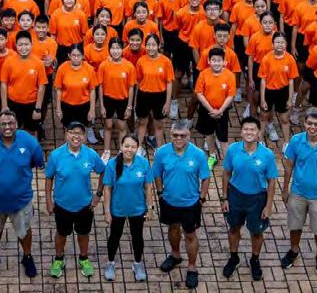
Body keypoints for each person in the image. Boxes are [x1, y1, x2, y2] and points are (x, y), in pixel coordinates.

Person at [0, 109, 45, 278]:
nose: (7, 127)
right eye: (3, 124)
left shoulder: (29, 142)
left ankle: (27, 257)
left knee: (24, 232)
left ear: (17, 124)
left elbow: (36, 162)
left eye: (11, 123)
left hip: (21, 201)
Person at [151, 119, 212, 290]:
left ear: (189, 136)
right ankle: (175, 255)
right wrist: (160, 192)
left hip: (191, 204)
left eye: (182, 135)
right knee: (173, 228)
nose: (178, 138)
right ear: (170, 135)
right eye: (175, 135)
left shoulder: (198, 154)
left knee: (190, 235)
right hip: (169, 201)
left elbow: (206, 177)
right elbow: (157, 173)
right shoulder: (162, 153)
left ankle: (192, 267)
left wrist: (202, 197)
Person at [280, 108, 317, 277]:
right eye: (309, 123)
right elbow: (289, 166)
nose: (312, 127)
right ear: (304, 123)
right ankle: (294, 250)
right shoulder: (295, 141)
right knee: (295, 225)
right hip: (297, 193)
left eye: (316, 124)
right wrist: (285, 190)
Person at [43, 121, 106, 278]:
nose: (76, 136)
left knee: (83, 234)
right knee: (61, 234)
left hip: (85, 206)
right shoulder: (56, 155)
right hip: (62, 205)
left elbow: (103, 172)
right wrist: (49, 201)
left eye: (79, 133)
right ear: (66, 134)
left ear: (84, 136)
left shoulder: (91, 154)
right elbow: (49, 178)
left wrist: (98, 195)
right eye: (72, 132)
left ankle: (83, 258)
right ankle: (59, 259)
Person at [220, 117, 278, 280]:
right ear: (241, 132)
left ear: (259, 133)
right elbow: (226, 173)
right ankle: (234, 258)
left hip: (257, 199)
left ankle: (255, 260)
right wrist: (225, 198)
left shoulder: (267, 155)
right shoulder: (233, 150)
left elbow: (272, 181)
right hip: (235, 196)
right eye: (246, 129)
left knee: (257, 232)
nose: (249, 132)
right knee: (233, 228)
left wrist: (268, 206)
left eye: (253, 129)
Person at [101, 133, 151, 282]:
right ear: (121, 147)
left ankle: (137, 264)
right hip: (118, 210)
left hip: (138, 209)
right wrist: (107, 211)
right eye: (126, 146)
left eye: (133, 147)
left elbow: (148, 187)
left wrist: (150, 208)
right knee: (114, 237)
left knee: (137, 237)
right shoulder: (112, 164)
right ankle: (110, 263)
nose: (129, 149)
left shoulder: (143, 163)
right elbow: (107, 189)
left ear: (137, 148)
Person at [193, 47, 236, 166]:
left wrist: (220, 110)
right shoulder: (203, 74)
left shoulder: (230, 76)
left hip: (222, 112)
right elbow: (199, 93)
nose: (216, 63)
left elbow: (230, 95)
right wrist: (211, 110)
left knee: (223, 137)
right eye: (214, 60)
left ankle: (228, 162)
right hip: (206, 110)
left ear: (224, 62)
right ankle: (212, 155)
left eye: (219, 60)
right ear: (209, 61)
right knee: (208, 133)